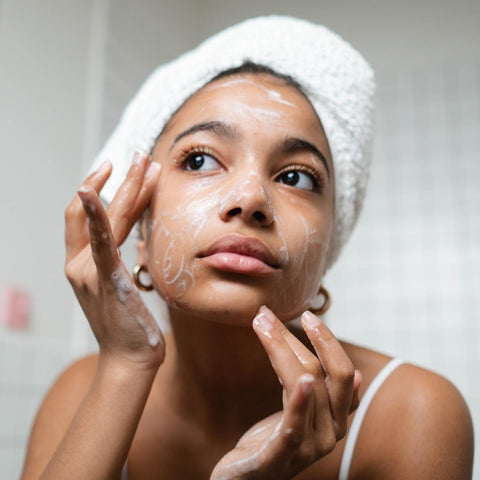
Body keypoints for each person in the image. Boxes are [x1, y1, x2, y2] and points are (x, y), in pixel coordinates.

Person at [21, 16, 473, 480]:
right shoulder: (80, 392)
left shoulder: (413, 414)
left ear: (329, 248)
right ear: (140, 226)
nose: (251, 198)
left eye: (296, 176)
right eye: (200, 160)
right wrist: (125, 365)